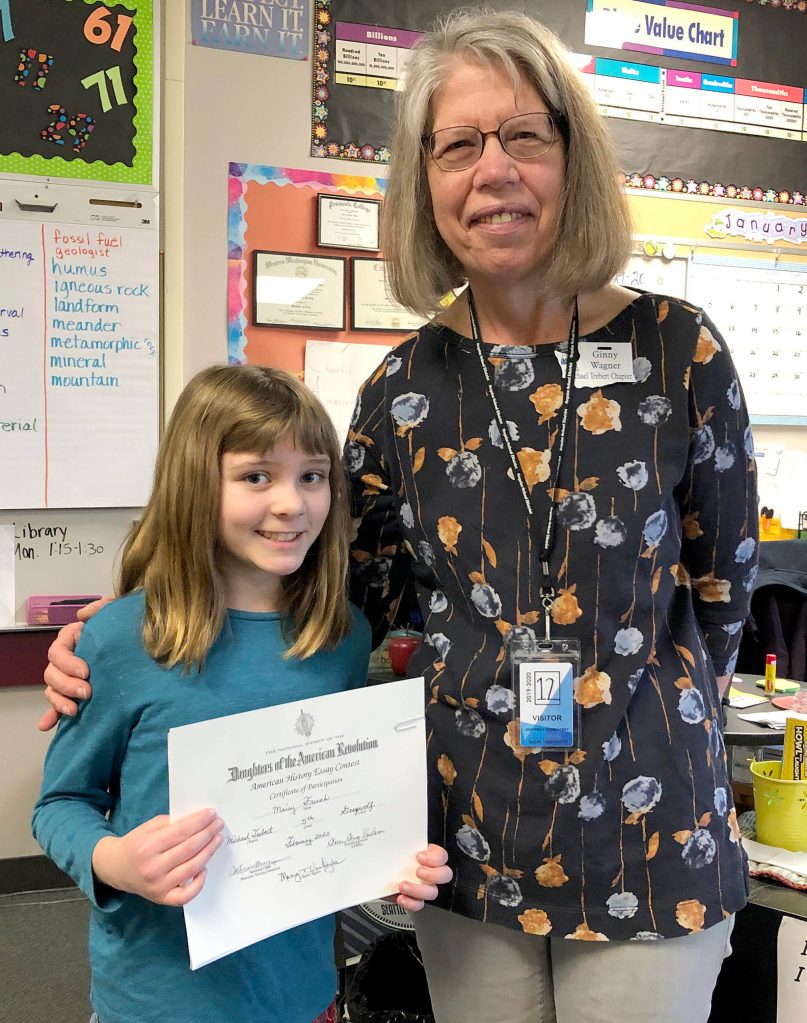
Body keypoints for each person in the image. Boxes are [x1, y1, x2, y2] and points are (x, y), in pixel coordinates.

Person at [41, 10, 758, 1022]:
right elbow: (331, 590)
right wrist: (113, 632)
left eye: (524, 136)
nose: (493, 171)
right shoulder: (403, 387)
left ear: (574, 157)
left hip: (652, 833)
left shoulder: (677, 351)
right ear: (425, 185)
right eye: (458, 145)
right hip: (467, 835)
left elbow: (724, 589)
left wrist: (641, 716)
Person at [32, 364, 451, 1023]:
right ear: (196, 484)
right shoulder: (120, 638)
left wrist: (389, 860)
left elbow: (331, 805)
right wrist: (115, 859)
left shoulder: (341, 639)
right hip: (159, 1001)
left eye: (312, 475)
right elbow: (61, 802)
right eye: (257, 475)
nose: (291, 502)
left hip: (305, 991)